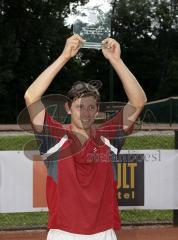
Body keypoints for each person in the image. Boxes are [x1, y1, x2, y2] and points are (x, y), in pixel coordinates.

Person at [24, 34, 147, 240]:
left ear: (97, 110)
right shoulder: (54, 137)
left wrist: (116, 60)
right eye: (79, 106)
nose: (85, 112)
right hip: (63, 233)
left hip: (103, 232)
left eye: (91, 107)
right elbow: (31, 96)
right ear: (68, 108)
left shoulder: (109, 136)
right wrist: (64, 57)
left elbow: (139, 100)